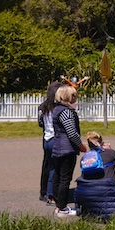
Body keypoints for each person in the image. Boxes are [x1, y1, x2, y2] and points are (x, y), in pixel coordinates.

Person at [74, 131, 115, 220]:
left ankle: (91, 212)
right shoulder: (111, 153)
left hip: (88, 191)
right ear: (101, 142)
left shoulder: (84, 158)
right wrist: (110, 149)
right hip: (107, 188)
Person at [50, 85, 88, 218]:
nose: (75, 98)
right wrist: (81, 146)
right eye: (73, 95)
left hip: (58, 148)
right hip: (67, 150)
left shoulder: (57, 109)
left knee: (58, 177)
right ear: (66, 96)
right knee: (64, 179)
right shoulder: (66, 112)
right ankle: (62, 207)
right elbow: (71, 133)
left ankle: (58, 205)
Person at [37, 81, 62, 205]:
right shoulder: (58, 107)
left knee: (47, 165)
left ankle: (44, 191)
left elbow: (40, 123)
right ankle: (51, 193)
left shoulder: (42, 106)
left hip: (46, 138)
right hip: (55, 138)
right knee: (55, 167)